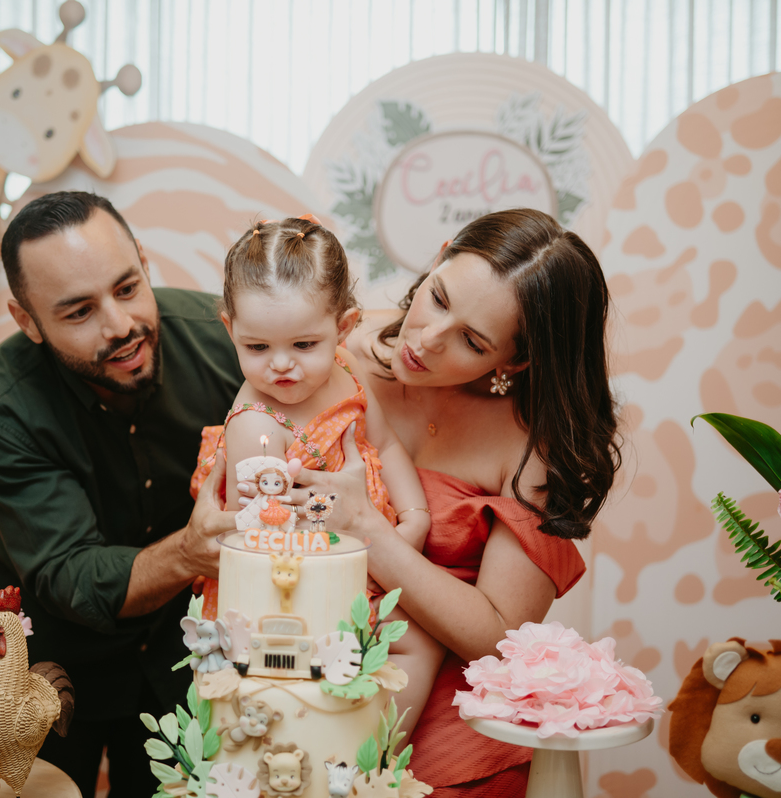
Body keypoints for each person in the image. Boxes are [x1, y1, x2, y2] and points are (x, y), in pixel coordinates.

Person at [244, 208, 621, 796]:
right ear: (440, 256)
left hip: (450, 736)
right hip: (303, 674)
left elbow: (499, 635)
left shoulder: (532, 445)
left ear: (514, 360)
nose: (426, 340)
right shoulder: (330, 347)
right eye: (438, 298)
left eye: (472, 340)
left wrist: (370, 530)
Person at [0, 190, 243, 797]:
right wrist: (190, 552)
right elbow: (67, 572)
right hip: (53, 671)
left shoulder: (228, 343)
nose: (121, 326)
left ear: (143, 260)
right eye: (79, 312)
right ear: (27, 321)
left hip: (188, 656)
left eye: (128, 287)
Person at [188, 216, 445, 729]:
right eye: (257, 347)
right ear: (230, 329)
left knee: (421, 642)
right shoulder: (256, 424)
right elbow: (254, 542)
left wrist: (414, 515)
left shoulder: (348, 368)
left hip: (371, 553)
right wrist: (352, 565)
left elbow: (385, 444)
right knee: (346, 663)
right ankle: (348, 750)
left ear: (343, 328)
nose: (281, 365)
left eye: (304, 345)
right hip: (299, 581)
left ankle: (374, 754)